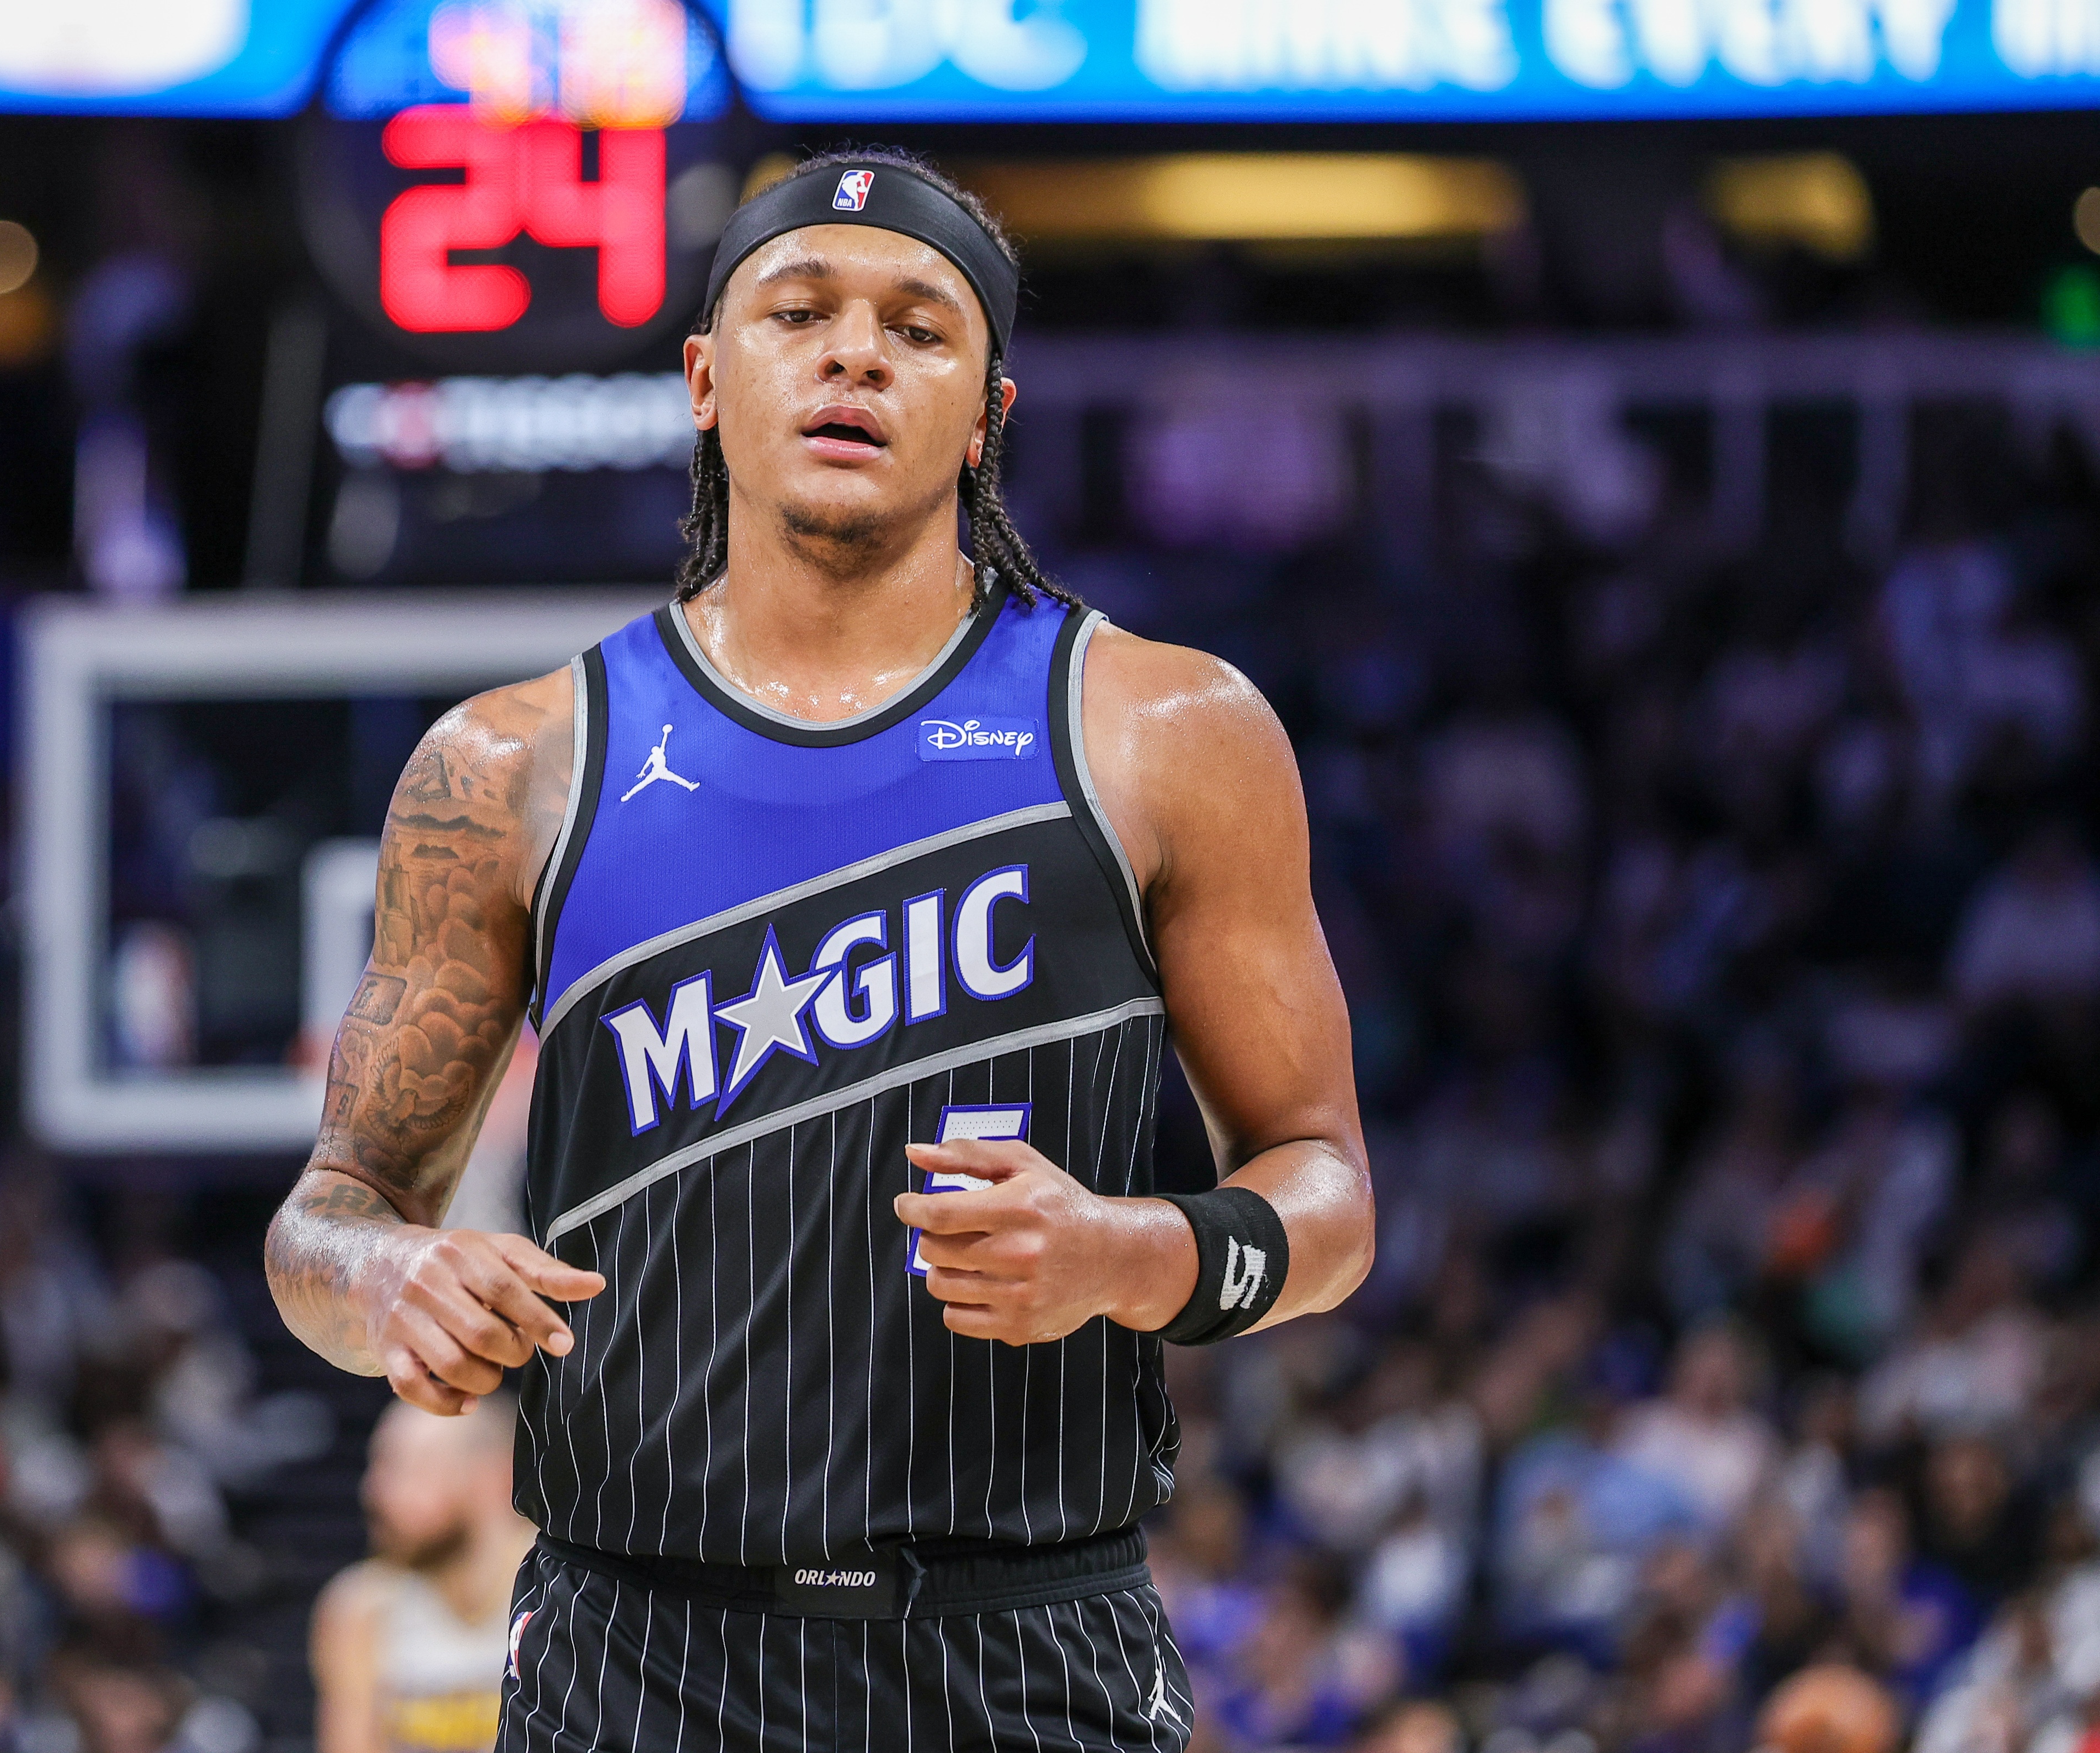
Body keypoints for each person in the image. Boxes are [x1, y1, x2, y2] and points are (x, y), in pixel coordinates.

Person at [266, 147, 1375, 1751]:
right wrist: (390, 1278)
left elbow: (1327, 1195)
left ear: (987, 414)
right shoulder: (509, 765)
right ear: (705, 380)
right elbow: (325, 1220)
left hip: (1022, 1647)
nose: (855, 353)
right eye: (799, 313)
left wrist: (1131, 1253)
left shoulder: (1165, 728)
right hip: (632, 1650)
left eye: (918, 328)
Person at [311, 1398, 533, 1753]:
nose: (373, 1492)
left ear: (494, 1475)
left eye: (406, 1468)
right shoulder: (361, 1609)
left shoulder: (560, 1595)